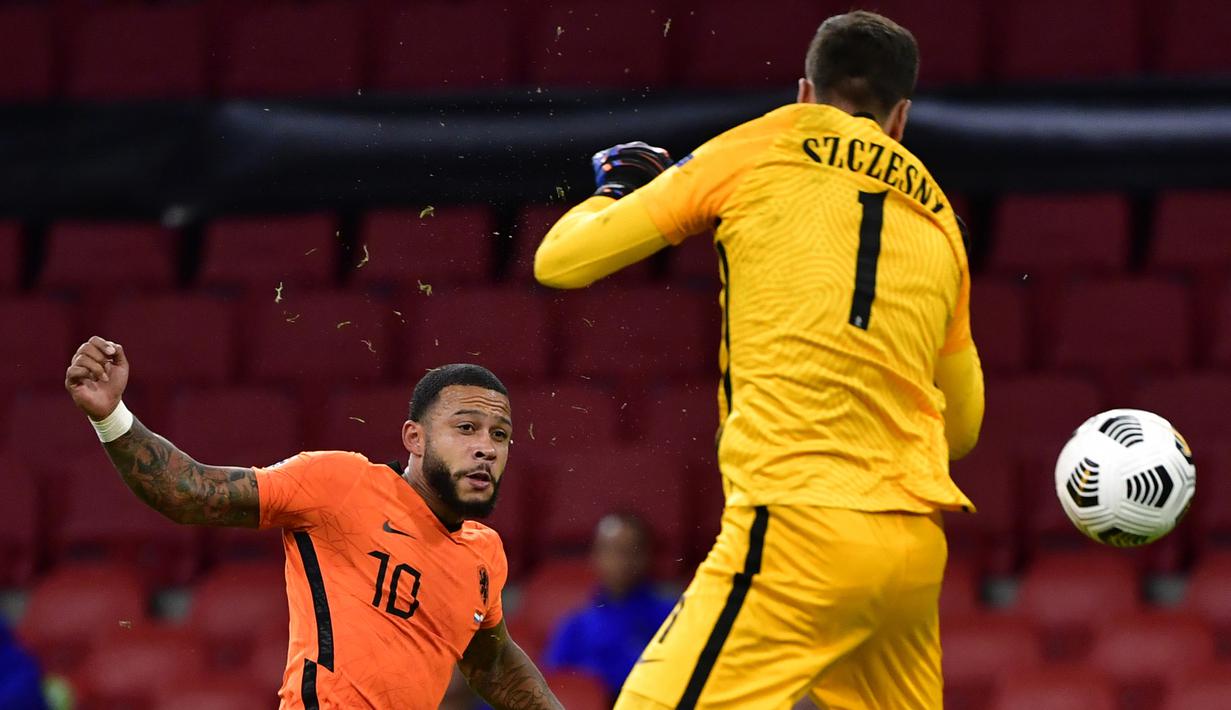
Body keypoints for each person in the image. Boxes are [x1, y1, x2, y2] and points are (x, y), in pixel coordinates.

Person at [534, 10, 984, 710]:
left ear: (805, 92)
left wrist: (618, 189)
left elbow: (560, 263)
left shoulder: (764, 143)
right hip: (910, 551)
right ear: (899, 117)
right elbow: (961, 429)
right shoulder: (939, 219)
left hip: (798, 523)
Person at [64, 340, 562, 710]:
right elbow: (191, 492)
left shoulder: (484, 553)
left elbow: (492, 663)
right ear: (415, 437)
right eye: (466, 428)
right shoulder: (340, 483)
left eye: (500, 435)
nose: (486, 448)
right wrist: (113, 418)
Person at [544, 513, 676, 701]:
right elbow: (551, 683)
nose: (618, 561)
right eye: (608, 550)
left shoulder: (669, 616)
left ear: (646, 555)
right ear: (595, 556)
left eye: (627, 550)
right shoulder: (576, 624)